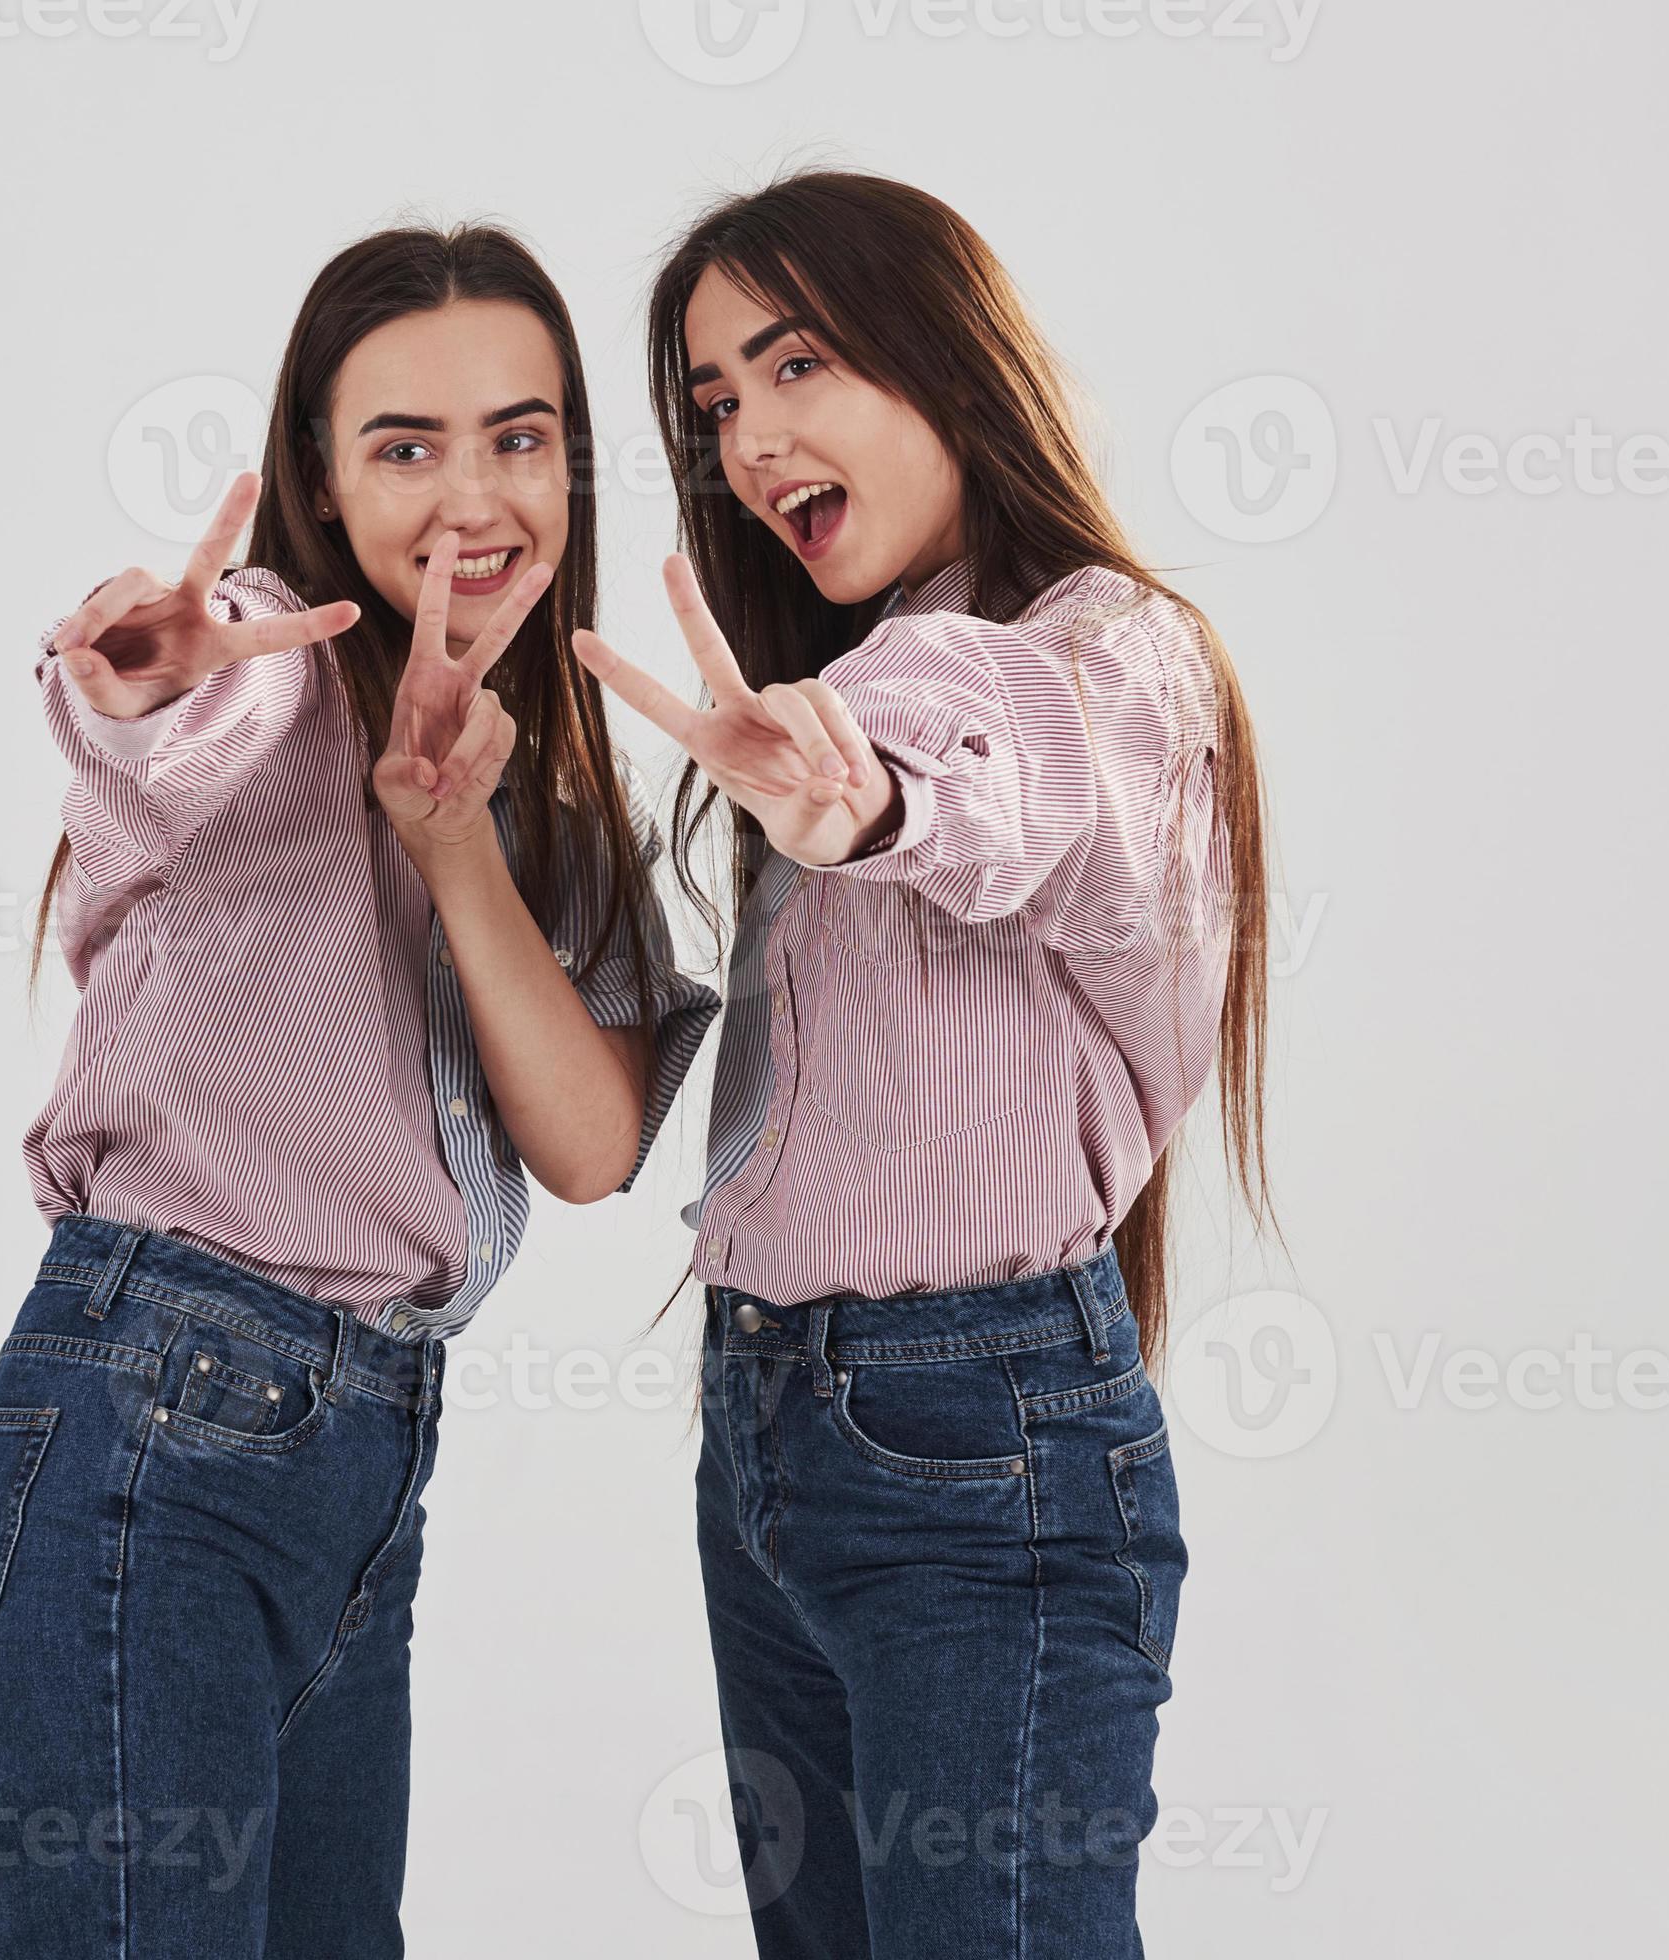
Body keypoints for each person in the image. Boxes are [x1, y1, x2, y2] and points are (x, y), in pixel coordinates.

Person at [0, 223, 719, 1959]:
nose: (473, 494)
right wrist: (141, 664)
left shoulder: (558, 810)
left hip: (359, 1481)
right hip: (150, 1441)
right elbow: (151, 707)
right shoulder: (267, 676)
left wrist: (455, 845)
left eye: (518, 437)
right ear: (315, 478)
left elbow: (587, 1146)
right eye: (402, 446)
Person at [575, 169, 1274, 1958]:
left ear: (947, 363)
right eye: (716, 402)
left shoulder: (1111, 657)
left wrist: (865, 789)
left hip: (976, 1447)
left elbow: (1003, 757)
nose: (748, 437)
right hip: (771, 1428)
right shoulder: (830, 690)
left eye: (796, 364)